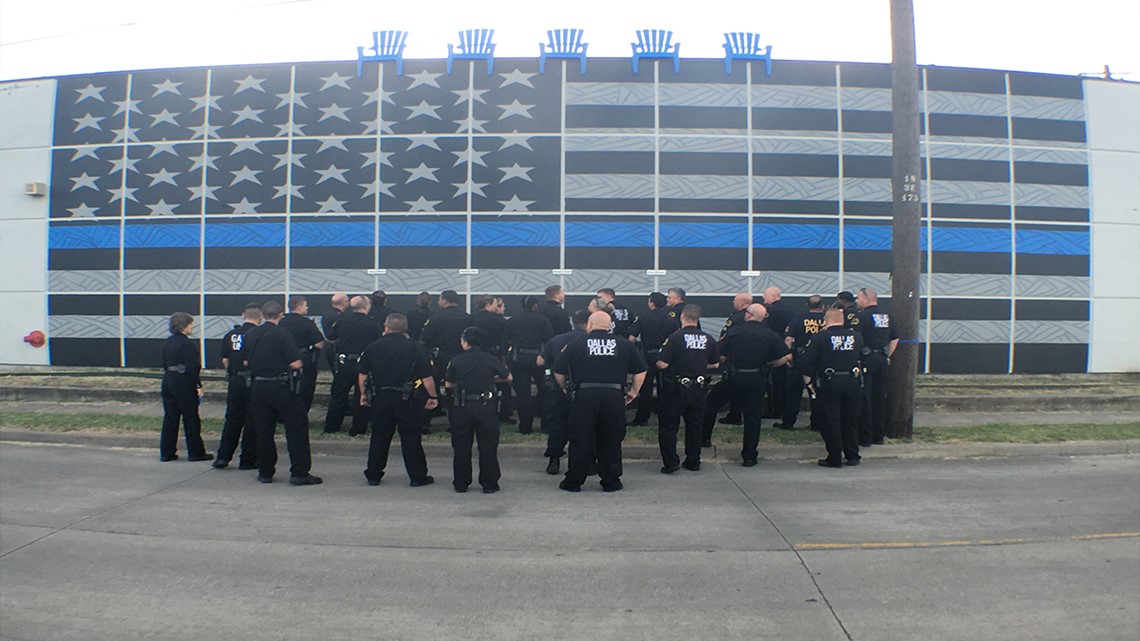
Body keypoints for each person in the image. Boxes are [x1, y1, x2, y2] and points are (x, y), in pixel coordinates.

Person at [553, 311, 647, 492]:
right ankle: (611, 481)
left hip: (584, 396)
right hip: (614, 395)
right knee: (611, 439)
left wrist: (565, 388)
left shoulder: (576, 343)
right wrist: (634, 392)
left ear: (589, 325)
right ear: (609, 325)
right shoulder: (623, 344)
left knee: (580, 439)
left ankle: (574, 481)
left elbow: (558, 369)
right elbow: (641, 370)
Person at [701, 304, 791, 467]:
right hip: (757, 379)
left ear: (748, 315)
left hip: (734, 378)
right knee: (752, 417)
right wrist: (769, 366)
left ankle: (704, 439)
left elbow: (720, 356)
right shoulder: (771, 335)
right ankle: (749, 456)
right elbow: (785, 357)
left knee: (711, 403)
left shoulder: (734, 332)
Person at [356, 313, 438, 487]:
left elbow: (362, 374)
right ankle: (417, 476)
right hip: (407, 398)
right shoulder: (416, 348)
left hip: (380, 397)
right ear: (405, 329)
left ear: (386, 327)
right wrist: (432, 396)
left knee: (379, 436)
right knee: (411, 437)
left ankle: (373, 474)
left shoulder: (372, 347)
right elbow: (427, 378)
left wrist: (363, 394)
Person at [246, 300, 321, 485]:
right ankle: (299, 472)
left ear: (263, 315)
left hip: (257, 386)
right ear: (280, 315)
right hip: (281, 386)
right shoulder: (282, 334)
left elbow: (245, 361)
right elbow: (295, 362)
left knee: (264, 431)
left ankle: (265, 472)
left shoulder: (251, 333)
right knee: (296, 427)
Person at [444, 327, 512, 493]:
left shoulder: (456, 360)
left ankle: (461, 483)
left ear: (466, 342)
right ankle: (489, 484)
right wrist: (489, 379)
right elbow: (507, 377)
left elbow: (448, 384)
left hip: (462, 406)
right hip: (486, 406)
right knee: (488, 446)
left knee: (461, 447)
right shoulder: (490, 359)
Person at [655, 305, 719, 473]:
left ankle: (671, 462)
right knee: (695, 425)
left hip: (676, 388)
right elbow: (715, 363)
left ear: (682, 317)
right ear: (698, 318)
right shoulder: (708, 339)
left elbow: (662, 363)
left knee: (669, 426)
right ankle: (693, 460)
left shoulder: (675, 338)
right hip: (699, 387)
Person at [799, 307, 864, 468]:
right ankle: (852, 455)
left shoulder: (820, 338)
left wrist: (809, 384)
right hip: (852, 382)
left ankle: (834, 457)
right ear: (842, 320)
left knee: (831, 421)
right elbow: (862, 357)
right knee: (850, 420)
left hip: (829, 383)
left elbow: (806, 364)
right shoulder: (856, 336)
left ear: (825, 321)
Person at [537, 309, 589, 475]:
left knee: (559, 423)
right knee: (587, 425)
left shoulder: (557, 339)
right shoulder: (590, 341)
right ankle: (589, 463)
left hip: (561, 387)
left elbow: (540, 361)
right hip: (585, 388)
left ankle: (554, 460)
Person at [323, 296, 381, 435]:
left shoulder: (341, 321)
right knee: (362, 394)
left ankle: (331, 426)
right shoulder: (373, 325)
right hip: (364, 364)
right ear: (366, 307)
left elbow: (330, 337)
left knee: (338, 395)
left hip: (345, 363)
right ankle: (359, 428)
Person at [214, 303, 261, 470]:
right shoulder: (257, 334)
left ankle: (223, 457)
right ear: (260, 317)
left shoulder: (231, 335)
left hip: (235, 380)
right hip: (252, 380)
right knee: (252, 420)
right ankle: (248, 459)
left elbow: (225, 359)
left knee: (232, 419)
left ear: (243, 316)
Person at [159, 312, 211, 462]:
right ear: (184, 326)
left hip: (169, 379)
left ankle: (167, 451)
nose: (191, 327)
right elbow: (193, 367)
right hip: (183, 381)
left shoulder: (168, 342)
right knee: (191, 417)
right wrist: (198, 385)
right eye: (190, 325)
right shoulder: (187, 344)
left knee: (170, 417)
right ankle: (196, 452)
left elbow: (164, 362)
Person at [419, 290, 474, 429]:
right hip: (462, 357)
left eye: (439, 299)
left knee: (430, 387)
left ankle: (425, 423)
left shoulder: (437, 317)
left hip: (440, 357)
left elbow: (424, 340)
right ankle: (456, 422)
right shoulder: (468, 318)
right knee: (458, 390)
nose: (438, 302)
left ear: (444, 300)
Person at [774, 295, 827, 431]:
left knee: (793, 392)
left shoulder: (798, 318)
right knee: (815, 391)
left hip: (800, 358)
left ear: (807, 305)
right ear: (822, 306)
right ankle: (817, 423)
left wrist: (786, 357)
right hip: (819, 360)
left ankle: (788, 422)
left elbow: (788, 340)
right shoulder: (826, 319)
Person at [854, 288, 898, 447]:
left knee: (865, 398)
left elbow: (856, 339)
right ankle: (878, 435)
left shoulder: (862, 316)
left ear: (867, 298)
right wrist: (886, 355)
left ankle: (865, 437)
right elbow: (895, 338)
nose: (856, 301)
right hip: (882, 359)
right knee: (879, 398)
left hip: (867, 360)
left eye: (859, 298)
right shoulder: (887, 316)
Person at [507, 295, 553, 434]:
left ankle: (525, 427)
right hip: (539, 359)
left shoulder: (513, 319)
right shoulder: (543, 319)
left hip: (518, 359)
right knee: (545, 391)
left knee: (523, 394)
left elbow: (506, 340)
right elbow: (549, 341)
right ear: (535, 305)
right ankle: (545, 425)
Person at [626, 292, 673, 426]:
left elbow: (631, 338)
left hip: (648, 356)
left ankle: (642, 418)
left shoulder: (643, 317)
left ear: (651, 303)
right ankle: (664, 416)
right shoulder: (671, 319)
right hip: (665, 356)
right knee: (664, 387)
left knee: (645, 389)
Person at [278, 295, 325, 413]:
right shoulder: (307, 323)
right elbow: (319, 343)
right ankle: (302, 411)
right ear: (299, 307)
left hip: (283, 358)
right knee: (305, 387)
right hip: (303, 358)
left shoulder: (281, 322)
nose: (307, 308)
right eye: (305, 305)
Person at [473, 295, 513, 424]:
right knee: (502, 385)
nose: (497, 306)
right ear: (489, 304)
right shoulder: (499, 320)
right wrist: (504, 358)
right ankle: (503, 415)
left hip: (476, 356)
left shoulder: (473, 319)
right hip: (494, 356)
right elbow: (505, 340)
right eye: (495, 304)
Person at [717, 292, 753, 427]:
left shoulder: (737, 318)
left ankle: (735, 414)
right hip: (751, 358)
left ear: (742, 303)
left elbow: (725, 337)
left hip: (734, 357)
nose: (733, 302)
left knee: (733, 387)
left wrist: (721, 352)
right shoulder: (756, 318)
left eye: (735, 300)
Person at [762, 286, 794, 419]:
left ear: (773, 296)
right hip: (784, 349)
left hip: (772, 349)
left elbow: (766, 329)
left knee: (773, 383)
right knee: (783, 381)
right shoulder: (789, 310)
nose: (764, 298)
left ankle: (775, 410)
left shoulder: (770, 311)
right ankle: (783, 408)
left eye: (765, 295)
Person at [321, 292, 349, 372]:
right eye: (347, 301)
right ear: (343, 303)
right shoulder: (339, 317)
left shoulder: (326, 314)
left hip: (329, 347)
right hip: (336, 348)